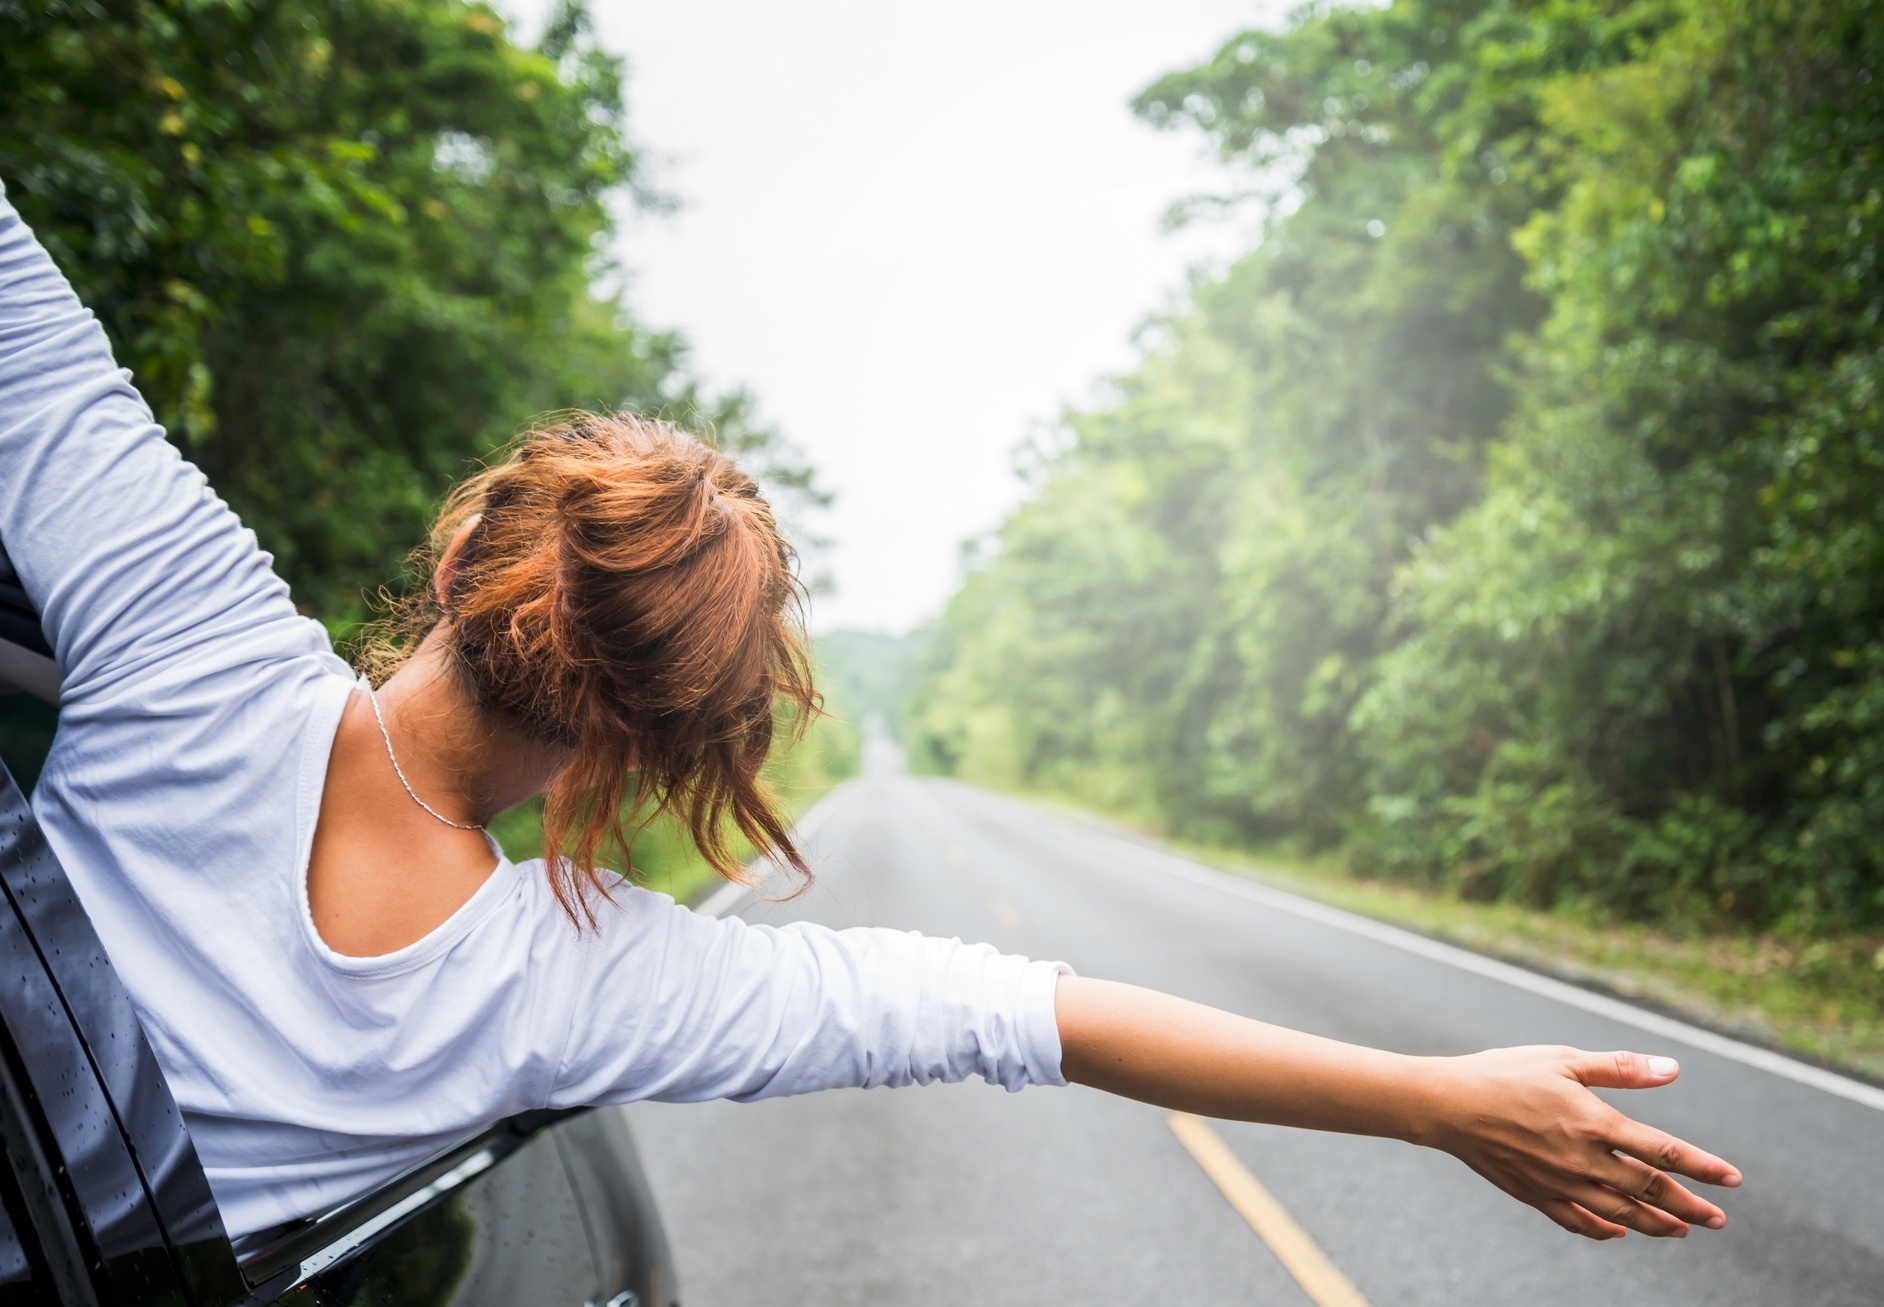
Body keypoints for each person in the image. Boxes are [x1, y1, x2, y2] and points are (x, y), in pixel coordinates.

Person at [0, 189, 1739, 1248]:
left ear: (467, 544)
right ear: (654, 751)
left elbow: (37, 346)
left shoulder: (193, 644)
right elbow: (1028, 1015)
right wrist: (1438, 1095)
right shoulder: (569, 983)